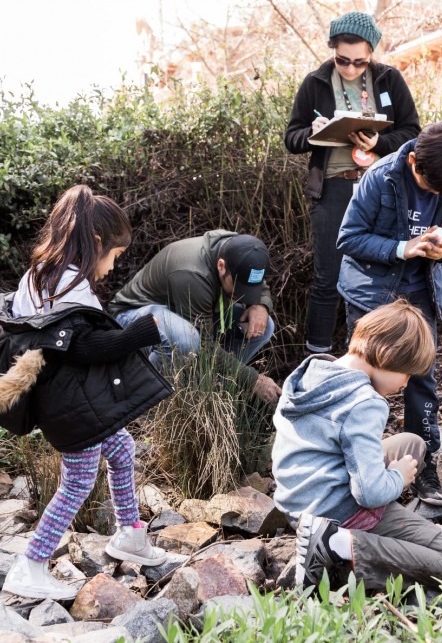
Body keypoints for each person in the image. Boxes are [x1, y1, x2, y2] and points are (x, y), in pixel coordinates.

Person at [0, 185, 172, 601]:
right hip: (69, 403)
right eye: (114, 255)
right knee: (77, 481)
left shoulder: (40, 272)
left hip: (59, 395)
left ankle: (130, 534)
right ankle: (32, 564)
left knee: (122, 447)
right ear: (96, 243)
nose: (114, 266)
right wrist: (146, 331)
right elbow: (84, 347)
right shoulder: (69, 285)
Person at [271, 299, 442, 593]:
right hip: (338, 513)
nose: (405, 385)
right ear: (389, 356)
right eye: (406, 375)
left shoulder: (310, 373)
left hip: (300, 500)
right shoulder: (364, 403)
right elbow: (369, 493)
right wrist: (397, 477)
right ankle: (336, 548)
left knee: (411, 444)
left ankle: (333, 541)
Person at [336, 121, 442, 506]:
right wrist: (402, 248)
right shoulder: (380, 177)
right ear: (413, 160)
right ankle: (356, 465)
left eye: (441, 192)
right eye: (429, 186)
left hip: (421, 293)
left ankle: (425, 465)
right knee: (362, 379)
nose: (434, 195)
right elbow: (348, 237)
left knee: (422, 380)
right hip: (371, 293)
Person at [284, 11, 421, 355]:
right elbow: (291, 137)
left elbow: (412, 132)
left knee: (382, 275)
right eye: (342, 60)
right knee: (328, 277)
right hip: (333, 188)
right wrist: (312, 135)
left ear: (371, 54)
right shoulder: (315, 83)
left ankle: (375, 356)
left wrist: (379, 144)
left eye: (359, 63)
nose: (350, 69)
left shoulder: (390, 79)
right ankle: (318, 358)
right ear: (333, 51)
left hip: (381, 188)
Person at [109, 230, 281, 404]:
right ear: (221, 266)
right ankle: (144, 402)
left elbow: (255, 279)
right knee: (187, 339)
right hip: (132, 317)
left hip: (184, 312)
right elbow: (204, 345)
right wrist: (253, 379)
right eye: (238, 287)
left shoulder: (242, 252)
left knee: (265, 327)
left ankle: (216, 390)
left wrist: (261, 305)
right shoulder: (193, 275)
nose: (241, 294)